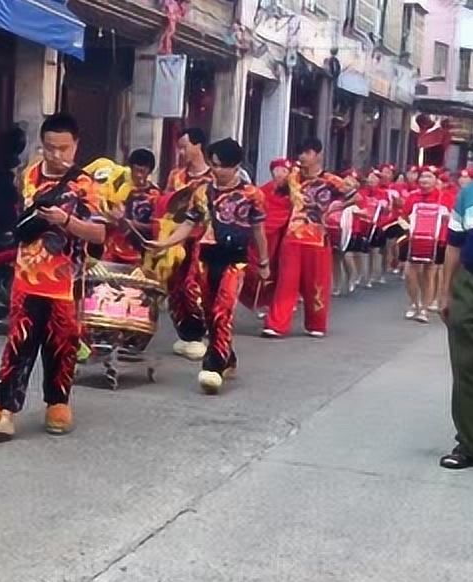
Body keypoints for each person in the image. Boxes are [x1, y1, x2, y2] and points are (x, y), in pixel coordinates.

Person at [0, 113, 105, 439]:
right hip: (27, 278)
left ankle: (57, 403)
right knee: (17, 346)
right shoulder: (29, 175)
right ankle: (2, 409)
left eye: (63, 148)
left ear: (76, 146)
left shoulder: (85, 185)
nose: (56, 155)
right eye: (50, 148)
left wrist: (65, 221)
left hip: (65, 283)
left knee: (61, 348)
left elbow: (99, 234)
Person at [149, 139, 268, 394]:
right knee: (209, 310)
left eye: (221, 166)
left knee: (222, 310)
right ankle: (228, 355)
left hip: (234, 260)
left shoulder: (253, 195)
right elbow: (188, 225)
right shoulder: (201, 192)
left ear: (235, 166)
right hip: (205, 257)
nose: (215, 170)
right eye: (213, 165)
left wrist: (265, 263)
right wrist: (164, 244)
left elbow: (259, 231)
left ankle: (213, 365)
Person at [263, 138, 356, 339]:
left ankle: (316, 323)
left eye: (307, 153)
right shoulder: (292, 178)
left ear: (318, 154)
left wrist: (337, 206)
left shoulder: (331, 181)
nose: (302, 157)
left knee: (317, 284)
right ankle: (276, 324)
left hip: (318, 238)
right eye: (300, 153)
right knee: (286, 283)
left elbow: (356, 197)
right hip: (292, 237)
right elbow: (272, 194)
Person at [438, 167, 473, 469]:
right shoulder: (470, 193)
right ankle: (469, 444)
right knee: (466, 368)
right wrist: (446, 292)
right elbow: (454, 245)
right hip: (472, 285)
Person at [161, 127, 213, 360]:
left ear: (198, 146)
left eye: (185, 146)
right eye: (179, 147)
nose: (181, 151)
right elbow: (165, 203)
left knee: (195, 286)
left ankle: (200, 332)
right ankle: (185, 333)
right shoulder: (176, 176)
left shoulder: (213, 177)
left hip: (204, 241)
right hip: (177, 238)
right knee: (175, 287)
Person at [241, 158, 292, 319]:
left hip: (279, 236)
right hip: (262, 234)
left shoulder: (292, 192)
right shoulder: (263, 191)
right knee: (252, 268)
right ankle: (253, 300)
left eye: (284, 171)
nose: (280, 174)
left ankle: (269, 301)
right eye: (277, 170)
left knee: (275, 269)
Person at [401, 166, 449, 323]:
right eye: (422, 177)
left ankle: (424, 309)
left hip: (436, 240)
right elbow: (401, 217)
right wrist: (408, 227)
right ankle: (414, 303)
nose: (424, 180)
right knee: (409, 273)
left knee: (429, 273)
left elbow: (452, 219)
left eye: (428, 177)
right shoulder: (412, 197)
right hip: (412, 239)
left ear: (436, 180)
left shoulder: (444, 197)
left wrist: (445, 217)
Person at [102, 148, 159, 265]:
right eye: (135, 171)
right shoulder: (121, 188)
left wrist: (132, 224)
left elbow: (156, 226)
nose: (138, 175)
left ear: (149, 172)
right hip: (113, 249)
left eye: (142, 172)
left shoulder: (155, 195)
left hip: (138, 252)